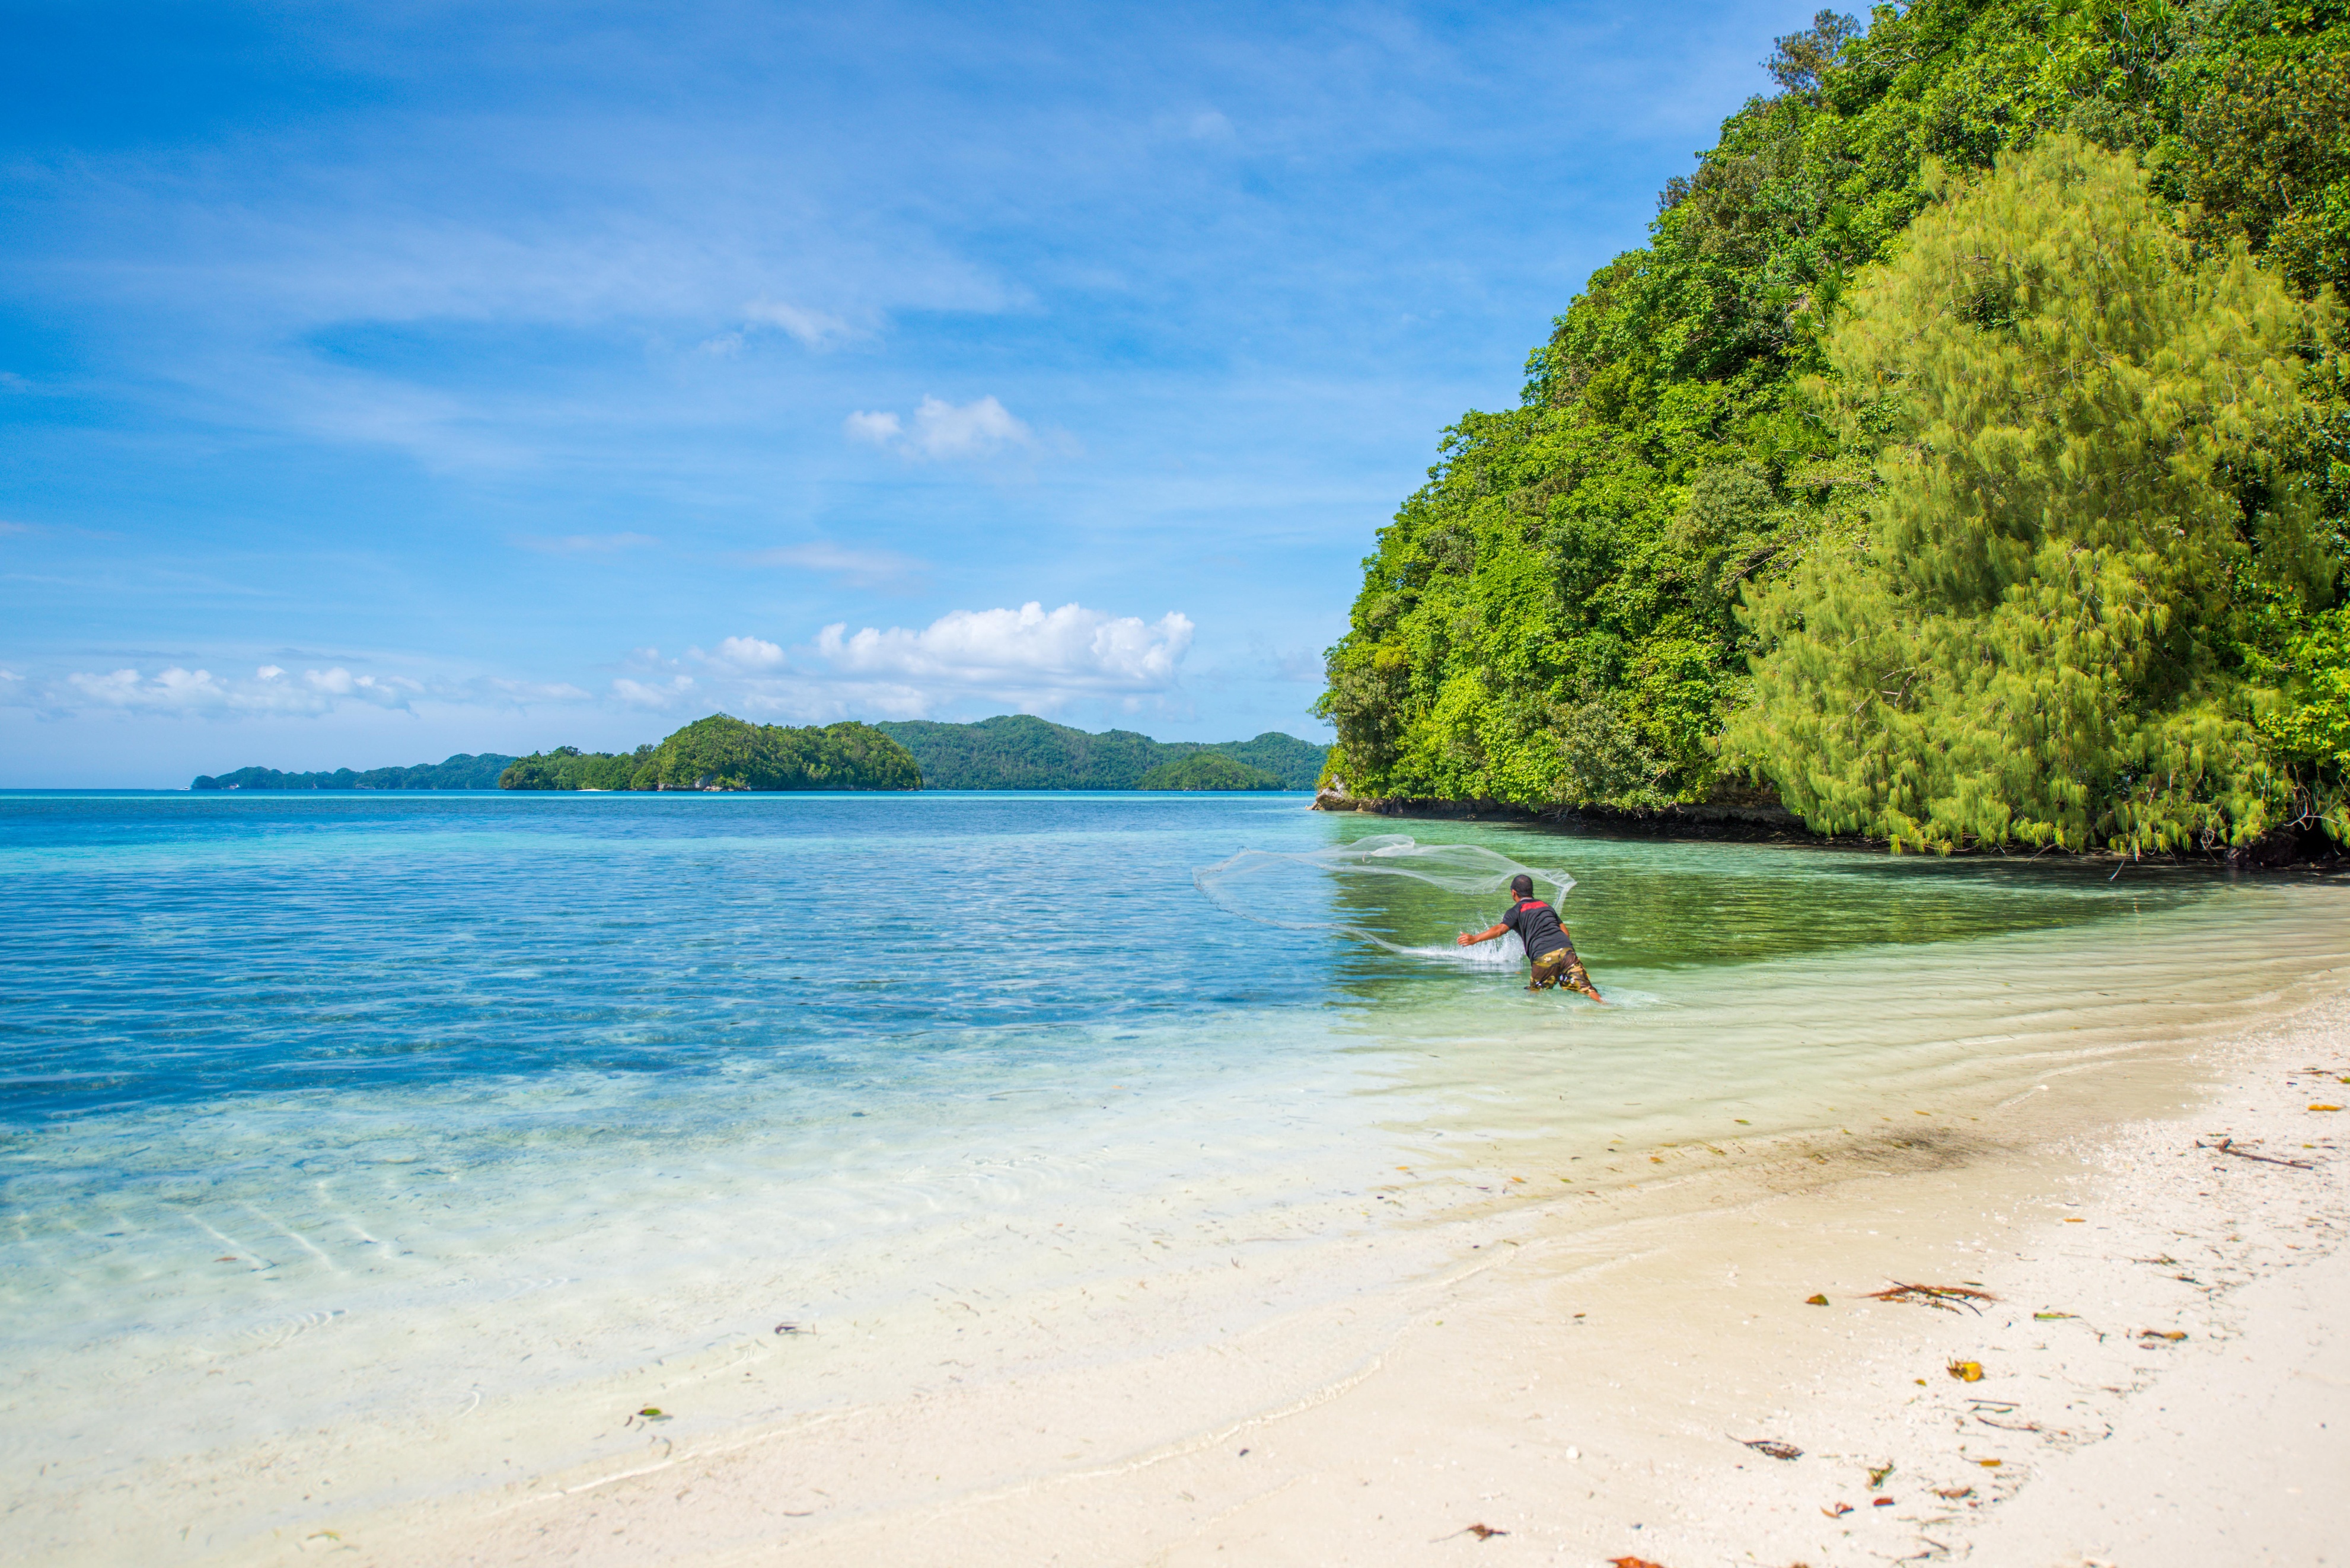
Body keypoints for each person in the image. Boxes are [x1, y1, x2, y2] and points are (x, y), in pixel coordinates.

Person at [1456, 872, 1604, 1002]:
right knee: (1588, 989)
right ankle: (1606, 1007)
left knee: (1536, 994)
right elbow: (1565, 932)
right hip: (1567, 952)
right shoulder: (1546, 906)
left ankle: (1535, 1027)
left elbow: (1501, 929)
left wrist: (1475, 939)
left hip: (1543, 955)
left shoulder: (1516, 910)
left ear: (1514, 893)